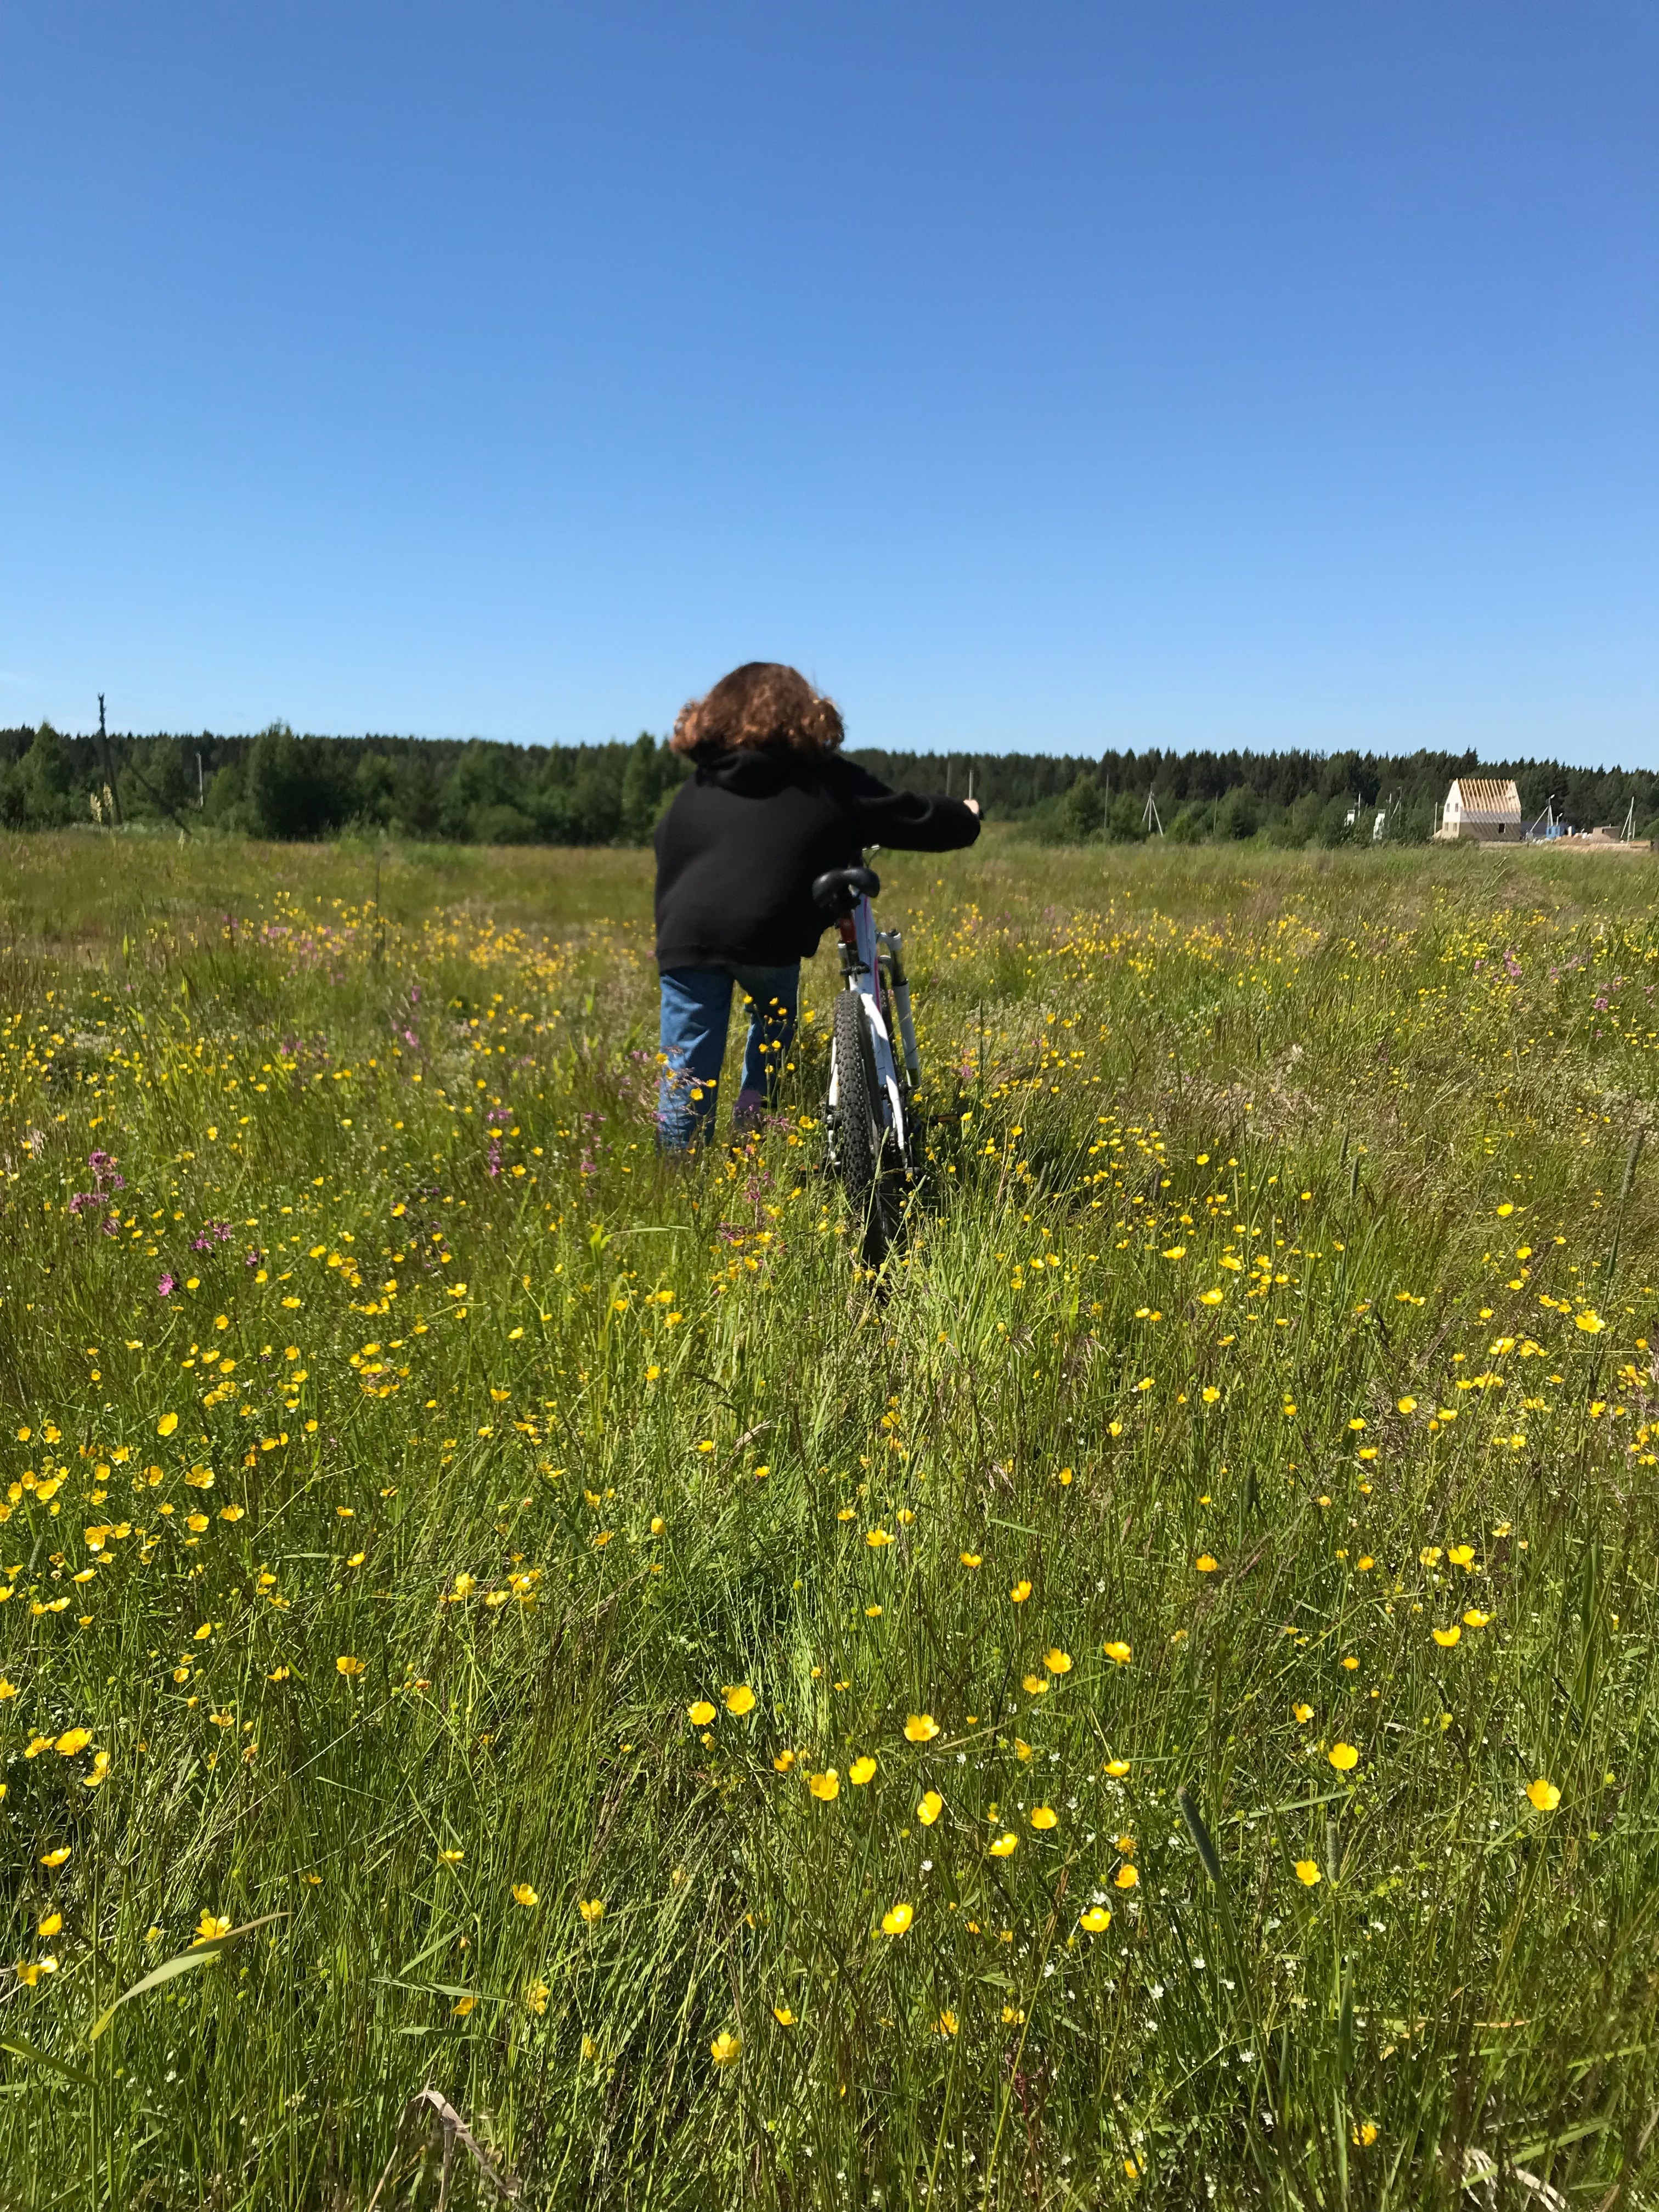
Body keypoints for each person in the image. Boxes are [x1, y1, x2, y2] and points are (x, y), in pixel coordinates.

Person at [653, 662, 980, 1150]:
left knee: (685, 1070)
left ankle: (676, 1180)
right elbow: (909, 815)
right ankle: (753, 1114)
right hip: (769, 933)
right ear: (802, 714)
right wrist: (967, 817)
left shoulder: (698, 786)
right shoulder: (821, 780)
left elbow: (667, 846)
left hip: (686, 935)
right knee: (774, 1018)